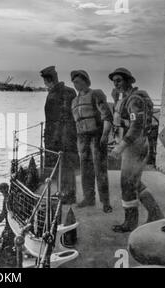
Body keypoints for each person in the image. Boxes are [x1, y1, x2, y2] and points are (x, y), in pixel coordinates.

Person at [109, 68, 164, 233]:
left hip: (135, 146)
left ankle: (130, 223)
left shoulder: (134, 99)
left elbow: (136, 127)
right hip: (138, 145)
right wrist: (115, 99)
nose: (115, 83)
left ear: (128, 81)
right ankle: (156, 214)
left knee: (127, 184)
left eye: (119, 80)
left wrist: (121, 146)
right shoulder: (128, 98)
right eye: (114, 81)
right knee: (135, 182)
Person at [70, 70, 113, 213]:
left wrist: (105, 135)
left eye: (78, 81)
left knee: (100, 169)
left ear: (86, 81)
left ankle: (105, 202)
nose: (76, 84)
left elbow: (107, 116)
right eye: (74, 82)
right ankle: (89, 198)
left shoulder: (96, 94)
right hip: (82, 138)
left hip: (96, 135)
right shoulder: (74, 101)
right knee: (85, 169)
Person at [40, 66, 78, 205]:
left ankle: (67, 194)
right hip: (69, 135)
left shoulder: (54, 94)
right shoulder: (70, 91)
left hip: (59, 136)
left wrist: (51, 139)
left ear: (49, 80)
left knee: (63, 164)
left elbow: (56, 119)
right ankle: (66, 191)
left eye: (45, 81)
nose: (44, 84)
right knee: (66, 165)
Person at [0, 183, 15, 248]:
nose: (1, 192)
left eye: (1, 190)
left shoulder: (6, 199)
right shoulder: (10, 197)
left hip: (10, 224)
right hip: (11, 221)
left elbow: (4, 213)